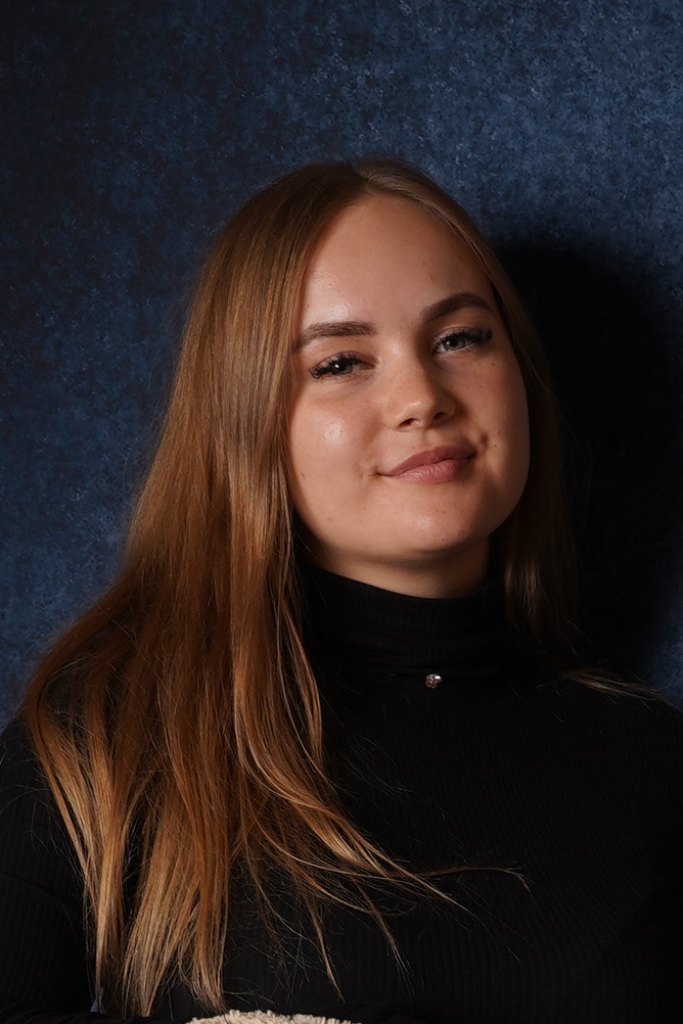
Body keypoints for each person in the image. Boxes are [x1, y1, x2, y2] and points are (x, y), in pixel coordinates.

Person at [1, 160, 682, 1024]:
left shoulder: (655, 761)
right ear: (246, 418)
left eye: (459, 338)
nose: (420, 397)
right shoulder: (112, 730)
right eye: (340, 362)